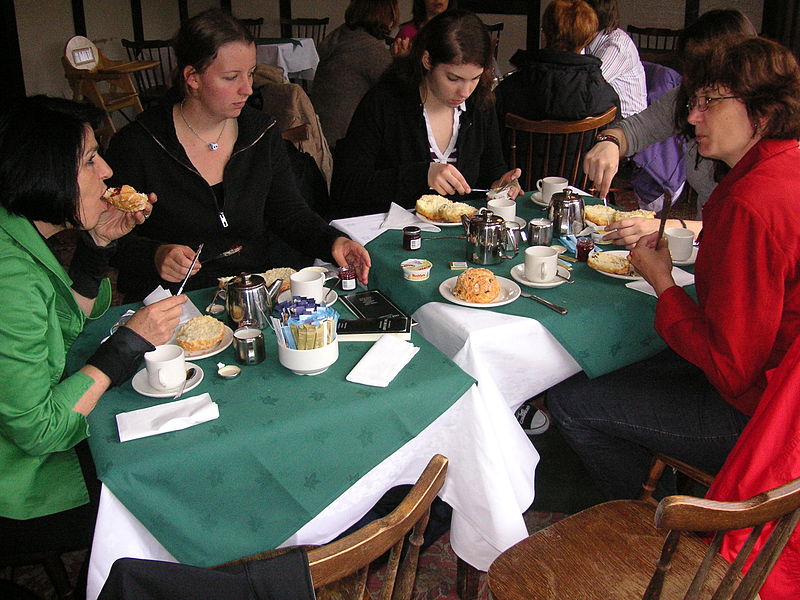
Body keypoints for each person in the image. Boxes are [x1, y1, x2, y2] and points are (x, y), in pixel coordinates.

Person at [547, 35, 800, 500]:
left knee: (570, 401)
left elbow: (730, 369)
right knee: (635, 358)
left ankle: (647, 523)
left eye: (710, 102)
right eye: (694, 100)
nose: (692, 116)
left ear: (762, 114)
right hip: (778, 389)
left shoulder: (750, 204)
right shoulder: (786, 167)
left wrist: (662, 281)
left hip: (762, 418)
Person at [0, 96, 185, 580]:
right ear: (44, 172)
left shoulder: (17, 233)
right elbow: (39, 430)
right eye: (88, 159)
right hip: (17, 484)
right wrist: (128, 344)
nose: (106, 170)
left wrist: (98, 243)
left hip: (24, 434)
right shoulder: (9, 276)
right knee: (167, 474)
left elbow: (63, 327)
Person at [106, 9, 371, 302]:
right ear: (192, 77)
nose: (247, 89)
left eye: (251, 74)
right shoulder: (138, 144)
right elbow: (110, 239)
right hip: (173, 303)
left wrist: (333, 241)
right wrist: (156, 255)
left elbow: (289, 213)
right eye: (231, 77)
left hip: (252, 292)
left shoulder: (260, 132)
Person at [583, 9, 758, 247]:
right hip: (703, 251)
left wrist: (668, 226)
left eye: (708, 98)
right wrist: (611, 141)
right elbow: (639, 128)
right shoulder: (688, 99)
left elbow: (746, 232)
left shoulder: (774, 152)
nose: (693, 116)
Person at [330, 9, 521, 217]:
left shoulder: (480, 103)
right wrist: (422, 176)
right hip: (393, 236)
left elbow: (492, 166)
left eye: (475, 78)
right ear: (427, 60)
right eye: (453, 78)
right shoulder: (385, 102)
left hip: (455, 237)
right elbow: (346, 187)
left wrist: (500, 184)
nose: (465, 92)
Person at [494, 0, 619, 176]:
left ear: (544, 33)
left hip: (517, 187)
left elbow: (492, 145)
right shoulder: (604, 95)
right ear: (587, 39)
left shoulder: (508, 89)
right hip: (577, 192)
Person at [312, 0, 400, 149]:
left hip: (320, 132)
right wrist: (401, 60)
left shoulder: (339, 36)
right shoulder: (369, 49)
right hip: (345, 141)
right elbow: (400, 91)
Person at [584, 0, 646, 118]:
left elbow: (588, 88)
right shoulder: (590, 41)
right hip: (605, 116)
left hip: (627, 124)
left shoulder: (616, 45)